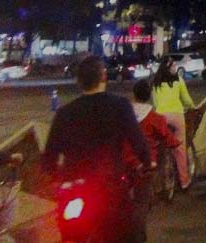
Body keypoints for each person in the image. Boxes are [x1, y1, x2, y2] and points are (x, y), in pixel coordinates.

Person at [43, 56, 152, 243]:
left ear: (79, 81)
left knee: (70, 235)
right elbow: (138, 143)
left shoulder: (64, 113)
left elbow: (49, 157)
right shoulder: (120, 106)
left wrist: (55, 178)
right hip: (111, 187)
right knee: (127, 233)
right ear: (103, 76)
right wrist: (147, 162)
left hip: (75, 187)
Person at [128, 79, 179, 242]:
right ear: (149, 96)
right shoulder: (154, 117)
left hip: (124, 161)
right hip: (145, 162)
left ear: (133, 95)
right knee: (141, 201)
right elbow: (166, 136)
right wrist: (175, 143)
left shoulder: (124, 113)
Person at [152, 55, 195, 190]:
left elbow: (155, 102)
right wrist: (193, 107)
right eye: (174, 66)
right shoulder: (178, 81)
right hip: (176, 116)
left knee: (159, 146)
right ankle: (184, 182)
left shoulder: (156, 83)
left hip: (160, 117)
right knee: (180, 149)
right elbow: (186, 100)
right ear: (169, 68)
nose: (175, 68)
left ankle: (159, 182)